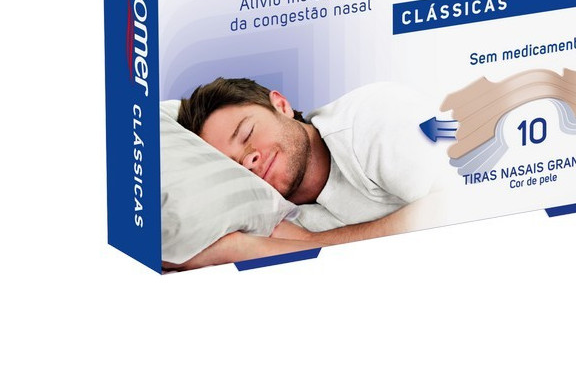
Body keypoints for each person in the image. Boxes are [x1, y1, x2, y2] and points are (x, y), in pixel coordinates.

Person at [175, 77, 452, 268]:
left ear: (281, 105)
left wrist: (311, 242)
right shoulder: (271, 221)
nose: (249, 159)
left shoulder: (373, 118)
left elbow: (459, 205)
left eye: (248, 133)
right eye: (235, 166)